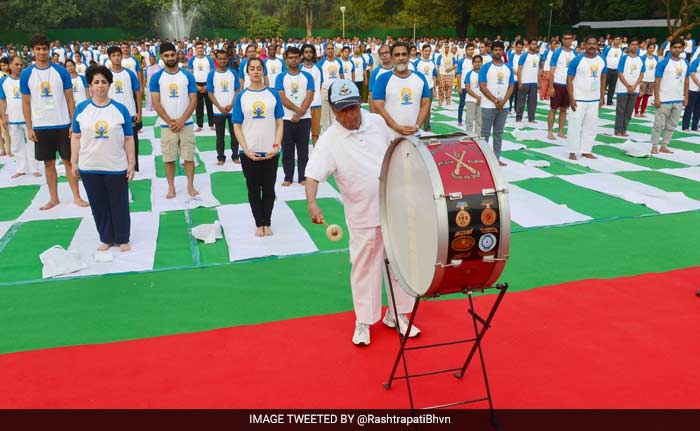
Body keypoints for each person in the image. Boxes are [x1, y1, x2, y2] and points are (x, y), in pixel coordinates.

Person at [305, 79, 420, 346]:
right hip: (362, 215)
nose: (351, 115)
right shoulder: (329, 140)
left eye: (354, 108)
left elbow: (397, 149)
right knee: (364, 269)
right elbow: (312, 174)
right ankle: (364, 321)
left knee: (401, 265)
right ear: (333, 110)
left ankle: (399, 314)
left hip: (394, 209)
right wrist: (312, 203)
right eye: (344, 110)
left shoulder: (377, 123)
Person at [70, 65, 135, 252]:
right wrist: (74, 162)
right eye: (96, 82)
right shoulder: (81, 109)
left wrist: (131, 163)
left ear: (109, 84)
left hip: (115, 165)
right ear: (89, 85)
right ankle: (106, 238)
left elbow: (129, 139)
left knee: (119, 203)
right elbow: (75, 137)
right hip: (89, 166)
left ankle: (122, 237)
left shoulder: (120, 109)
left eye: (104, 82)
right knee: (98, 204)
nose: (100, 86)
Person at [20, 34, 87, 210]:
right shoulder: (27, 74)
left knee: (69, 162)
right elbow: (26, 102)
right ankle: (54, 198)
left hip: (63, 124)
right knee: (48, 163)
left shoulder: (61, 71)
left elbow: (70, 99)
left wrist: (73, 123)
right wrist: (29, 127)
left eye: (44, 48)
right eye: (38, 49)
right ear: (33, 51)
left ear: (49, 49)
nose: (42, 52)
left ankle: (77, 197)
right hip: (41, 126)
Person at [232, 57, 284, 237]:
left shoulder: (272, 94)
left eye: (259, 68)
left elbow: (279, 122)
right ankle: (258, 223)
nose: (255, 71)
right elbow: (237, 125)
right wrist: (245, 150)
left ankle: (267, 222)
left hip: (271, 151)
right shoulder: (241, 96)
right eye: (252, 68)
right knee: (253, 189)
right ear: (247, 72)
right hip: (249, 152)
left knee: (269, 189)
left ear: (263, 71)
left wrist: (276, 145)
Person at [149, 42, 198, 198]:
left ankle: (190, 186)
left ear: (177, 54)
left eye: (172, 55)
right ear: (161, 57)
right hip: (166, 126)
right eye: (166, 56)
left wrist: (182, 120)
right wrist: (169, 121)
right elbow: (156, 102)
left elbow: (193, 100)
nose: (170, 58)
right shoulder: (157, 77)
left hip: (187, 124)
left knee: (189, 157)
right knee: (169, 158)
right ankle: (171, 187)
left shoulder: (187, 76)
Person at [372, 42, 431, 139]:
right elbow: (378, 106)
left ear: (408, 56)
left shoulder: (420, 78)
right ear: (391, 57)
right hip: (390, 136)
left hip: (414, 135)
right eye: (397, 55)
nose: (401, 58)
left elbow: (425, 103)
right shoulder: (382, 79)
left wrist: (417, 126)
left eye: (404, 54)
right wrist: (395, 126)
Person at [276, 46, 314, 186]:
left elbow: (310, 95)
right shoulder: (281, 77)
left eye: (296, 57)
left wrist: (300, 113)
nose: (293, 60)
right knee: (287, 150)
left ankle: (303, 177)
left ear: (300, 58)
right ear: (286, 59)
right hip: (286, 119)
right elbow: (281, 97)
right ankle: (288, 177)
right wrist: (297, 110)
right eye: (290, 57)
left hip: (305, 118)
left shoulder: (307, 76)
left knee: (303, 149)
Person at [566, 35, 607, 161]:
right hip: (579, 99)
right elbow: (569, 80)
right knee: (574, 126)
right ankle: (572, 151)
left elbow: (603, 78)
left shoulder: (602, 60)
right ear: (584, 45)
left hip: (594, 99)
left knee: (591, 126)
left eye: (594, 44)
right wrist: (571, 98)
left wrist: (602, 96)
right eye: (589, 43)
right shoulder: (577, 60)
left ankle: (586, 150)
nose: (592, 46)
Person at [0, 55, 40, 178]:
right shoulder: (3, 81)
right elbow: (3, 100)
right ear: (10, 65)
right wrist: (4, 116)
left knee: (32, 143)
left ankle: (34, 168)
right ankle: (21, 168)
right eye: (16, 64)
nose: (19, 67)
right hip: (12, 118)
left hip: (28, 118)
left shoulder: (27, 78)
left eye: (21, 65)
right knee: (16, 144)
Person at [651, 38, 690, 154]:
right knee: (658, 125)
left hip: (678, 99)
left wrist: (686, 97)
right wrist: (656, 98)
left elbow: (686, 81)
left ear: (683, 49)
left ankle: (664, 145)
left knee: (672, 124)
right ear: (670, 48)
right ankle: (654, 145)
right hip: (664, 99)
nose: (677, 50)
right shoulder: (663, 63)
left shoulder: (685, 63)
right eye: (675, 47)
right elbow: (657, 81)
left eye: (679, 47)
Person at [107, 46, 142, 172]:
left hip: (130, 113)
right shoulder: (106, 74)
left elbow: (137, 92)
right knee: (114, 141)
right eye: (113, 55)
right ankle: (117, 166)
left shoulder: (129, 73)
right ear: (109, 58)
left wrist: (139, 112)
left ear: (122, 56)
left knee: (132, 141)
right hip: (112, 114)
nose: (116, 57)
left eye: (118, 55)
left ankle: (134, 167)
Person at [479, 41, 514, 166]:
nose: (498, 52)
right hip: (488, 105)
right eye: (495, 50)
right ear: (491, 51)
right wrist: (495, 100)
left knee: (498, 133)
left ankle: (496, 158)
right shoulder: (485, 67)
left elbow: (511, 86)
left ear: (503, 51)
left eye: (500, 50)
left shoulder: (508, 68)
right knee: (485, 133)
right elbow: (482, 86)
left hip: (504, 106)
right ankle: (483, 159)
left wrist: (503, 101)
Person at [207, 49, 241, 165]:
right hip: (218, 111)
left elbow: (237, 90)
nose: (223, 61)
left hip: (232, 110)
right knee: (220, 136)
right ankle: (221, 157)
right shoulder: (212, 74)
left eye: (225, 58)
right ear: (216, 59)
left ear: (228, 59)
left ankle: (235, 155)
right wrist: (220, 107)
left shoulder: (233, 72)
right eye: (220, 58)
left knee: (235, 135)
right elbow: (210, 93)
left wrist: (232, 104)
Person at [614, 38, 645, 137]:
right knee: (621, 110)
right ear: (629, 46)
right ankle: (618, 130)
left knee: (629, 111)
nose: (634, 46)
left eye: (636, 44)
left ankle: (624, 130)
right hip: (623, 88)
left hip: (634, 89)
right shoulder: (624, 58)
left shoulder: (640, 59)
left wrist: (635, 86)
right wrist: (628, 86)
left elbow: (641, 74)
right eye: (632, 44)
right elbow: (620, 73)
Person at [548, 33, 576, 139]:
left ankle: (560, 131)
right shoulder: (557, 53)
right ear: (562, 40)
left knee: (564, 109)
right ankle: (550, 132)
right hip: (558, 83)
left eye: (570, 38)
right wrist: (551, 86)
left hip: (568, 85)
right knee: (553, 108)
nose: (568, 40)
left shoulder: (574, 53)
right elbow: (551, 71)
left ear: (572, 40)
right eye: (565, 39)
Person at [188, 41, 215, 132]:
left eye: (201, 48)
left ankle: (212, 124)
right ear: (195, 50)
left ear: (203, 49)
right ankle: (200, 125)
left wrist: (208, 85)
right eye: (198, 48)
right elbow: (190, 75)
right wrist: (196, 86)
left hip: (208, 84)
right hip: (197, 85)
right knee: (198, 106)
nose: (200, 49)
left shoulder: (209, 59)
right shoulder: (192, 60)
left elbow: (212, 73)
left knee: (210, 105)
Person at [317, 44, 345, 134]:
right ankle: (326, 133)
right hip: (325, 89)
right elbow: (318, 78)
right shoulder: (321, 63)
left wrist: (343, 87)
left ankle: (336, 132)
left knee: (336, 112)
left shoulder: (339, 62)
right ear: (325, 50)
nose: (330, 50)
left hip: (336, 90)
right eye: (328, 49)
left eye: (332, 49)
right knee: (325, 113)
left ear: (334, 50)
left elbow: (341, 76)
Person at [300, 43, 322, 145]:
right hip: (302, 105)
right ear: (302, 54)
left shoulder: (318, 68)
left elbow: (320, 85)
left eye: (310, 52)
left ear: (313, 54)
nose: (308, 54)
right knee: (302, 134)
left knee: (315, 133)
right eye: (306, 52)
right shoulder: (299, 69)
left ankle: (315, 156)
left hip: (316, 104)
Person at [413, 44, 437, 130]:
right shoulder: (417, 62)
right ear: (422, 51)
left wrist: (434, 89)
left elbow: (434, 76)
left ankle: (427, 127)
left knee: (427, 109)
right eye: (425, 51)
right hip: (419, 88)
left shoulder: (432, 62)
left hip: (429, 88)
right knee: (416, 108)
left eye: (429, 51)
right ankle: (415, 126)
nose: (427, 52)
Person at [516, 39, 539, 124]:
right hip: (524, 82)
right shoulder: (524, 56)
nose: (534, 46)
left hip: (534, 82)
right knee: (521, 101)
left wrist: (538, 82)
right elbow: (519, 70)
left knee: (533, 102)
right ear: (529, 45)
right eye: (533, 44)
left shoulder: (538, 56)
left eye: (536, 44)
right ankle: (518, 118)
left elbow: (538, 70)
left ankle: (531, 118)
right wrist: (520, 82)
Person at [368, 44, 393, 112]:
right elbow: (371, 94)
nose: (384, 55)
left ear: (391, 54)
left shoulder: (398, 70)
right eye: (382, 53)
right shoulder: (375, 72)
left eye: (387, 52)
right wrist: (372, 115)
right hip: (381, 110)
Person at [635, 43, 658, 117]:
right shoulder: (643, 58)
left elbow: (656, 68)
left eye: (653, 48)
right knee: (640, 96)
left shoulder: (656, 58)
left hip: (651, 80)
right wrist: (639, 80)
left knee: (646, 97)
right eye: (650, 48)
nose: (652, 49)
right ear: (647, 49)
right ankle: (636, 112)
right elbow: (639, 69)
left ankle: (642, 112)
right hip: (643, 79)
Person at [464, 55, 483, 136]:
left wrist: (480, 98)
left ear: (482, 63)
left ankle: (477, 137)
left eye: (479, 62)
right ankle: (469, 136)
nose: (477, 63)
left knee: (479, 121)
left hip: (482, 100)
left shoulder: (484, 73)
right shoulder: (469, 74)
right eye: (475, 62)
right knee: (469, 120)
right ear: (472, 63)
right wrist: (477, 97)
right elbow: (467, 88)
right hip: (470, 100)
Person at [456, 44, 474, 127]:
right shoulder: (461, 61)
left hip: (473, 87)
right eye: (469, 49)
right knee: (462, 104)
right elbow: (459, 74)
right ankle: (460, 120)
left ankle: (470, 120)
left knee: (472, 104)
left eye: (472, 49)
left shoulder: (475, 60)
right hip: (463, 86)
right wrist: (459, 86)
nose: (471, 51)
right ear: (466, 51)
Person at [603, 36, 623, 105]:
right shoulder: (608, 48)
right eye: (616, 39)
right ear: (613, 40)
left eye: (619, 40)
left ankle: (609, 101)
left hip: (616, 71)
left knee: (612, 87)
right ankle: (601, 100)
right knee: (604, 86)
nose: (617, 41)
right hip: (607, 69)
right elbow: (603, 57)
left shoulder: (621, 50)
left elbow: (621, 60)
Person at [682, 55, 700, 132]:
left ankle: (694, 126)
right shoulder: (696, 61)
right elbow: (692, 74)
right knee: (689, 108)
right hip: (693, 88)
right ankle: (685, 126)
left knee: (698, 109)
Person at [507, 40, 524, 112]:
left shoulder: (523, 56)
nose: (519, 49)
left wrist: (520, 74)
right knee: (510, 95)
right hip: (513, 78)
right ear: (515, 47)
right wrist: (516, 72)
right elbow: (509, 65)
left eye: (521, 47)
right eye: (518, 47)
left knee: (518, 95)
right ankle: (509, 109)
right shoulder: (512, 55)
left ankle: (517, 109)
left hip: (520, 79)